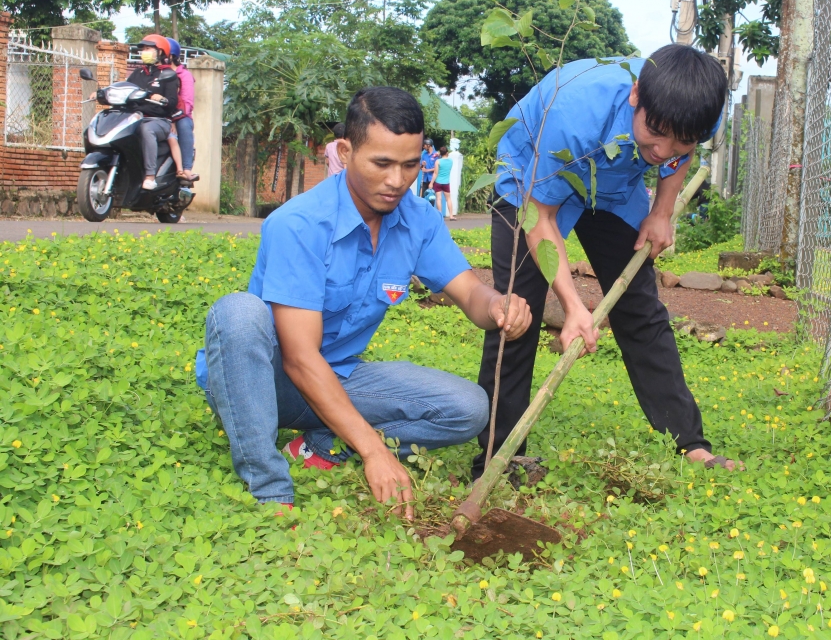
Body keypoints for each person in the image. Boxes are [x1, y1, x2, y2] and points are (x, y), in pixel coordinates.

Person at [194, 86, 532, 514]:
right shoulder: (298, 224)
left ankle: (323, 442)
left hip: (339, 378)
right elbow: (298, 358)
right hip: (267, 384)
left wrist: (498, 306)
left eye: (411, 165)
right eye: (382, 164)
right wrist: (375, 451)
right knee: (238, 313)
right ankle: (269, 487)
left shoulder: (417, 219)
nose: (397, 181)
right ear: (345, 151)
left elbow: (469, 291)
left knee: (466, 409)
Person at [474, 44, 736, 481]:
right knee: (517, 313)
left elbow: (678, 157)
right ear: (635, 95)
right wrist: (575, 307)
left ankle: (690, 444)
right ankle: (499, 458)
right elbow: (541, 220)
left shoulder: (700, 109)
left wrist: (661, 211)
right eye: (656, 131)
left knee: (640, 309)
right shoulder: (576, 113)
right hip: (531, 179)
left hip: (613, 187)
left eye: (680, 138)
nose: (662, 149)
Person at [126, 34, 181, 190]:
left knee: (146, 130)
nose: (145, 51)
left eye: (149, 48)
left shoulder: (167, 74)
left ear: (160, 52)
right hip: (135, 117)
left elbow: (171, 103)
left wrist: (161, 99)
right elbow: (124, 88)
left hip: (158, 121)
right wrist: (101, 92)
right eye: (143, 49)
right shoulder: (138, 73)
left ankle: (150, 176)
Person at [166, 38, 198, 181]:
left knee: (184, 124)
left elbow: (186, 102)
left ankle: (186, 169)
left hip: (178, 114)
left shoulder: (184, 75)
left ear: (171, 56)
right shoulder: (154, 73)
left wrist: (173, 118)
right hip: (158, 113)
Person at [432, 145, 456, 220]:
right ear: (447, 153)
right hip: (446, 182)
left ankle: (440, 215)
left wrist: (431, 183)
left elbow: (435, 173)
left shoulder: (438, 161)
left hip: (438, 182)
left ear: (440, 153)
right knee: (448, 199)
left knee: (438, 199)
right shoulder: (451, 161)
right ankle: (451, 215)